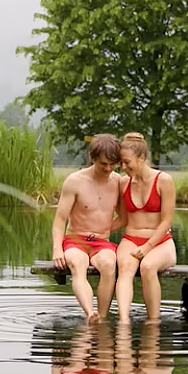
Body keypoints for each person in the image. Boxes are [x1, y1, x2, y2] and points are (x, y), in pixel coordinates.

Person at [51, 133, 124, 322]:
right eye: (103, 164)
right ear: (92, 159)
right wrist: (57, 249)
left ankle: (102, 315)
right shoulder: (75, 181)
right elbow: (59, 220)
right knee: (77, 263)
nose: (108, 168)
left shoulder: (118, 182)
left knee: (109, 265)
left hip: (102, 242)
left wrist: (105, 229)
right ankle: (90, 312)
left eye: (112, 164)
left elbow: (124, 218)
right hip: (75, 240)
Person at [113, 132, 178, 322]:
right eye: (121, 163)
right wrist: (96, 232)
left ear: (142, 158)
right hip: (131, 239)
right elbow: (122, 219)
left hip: (160, 242)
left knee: (148, 267)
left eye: (127, 162)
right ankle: (124, 320)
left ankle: (153, 321)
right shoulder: (123, 183)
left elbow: (166, 221)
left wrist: (148, 246)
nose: (123, 167)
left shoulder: (163, 180)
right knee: (125, 267)